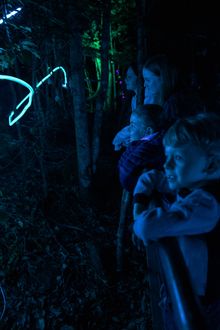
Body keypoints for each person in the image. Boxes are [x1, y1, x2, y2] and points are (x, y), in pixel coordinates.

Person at [132, 112, 220, 329]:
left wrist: (139, 215)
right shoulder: (193, 184)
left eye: (178, 157)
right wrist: (140, 201)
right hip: (185, 292)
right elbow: (151, 177)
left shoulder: (205, 203)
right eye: (166, 155)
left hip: (201, 305)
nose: (167, 164)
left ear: (211, 164)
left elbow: (146, 226)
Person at [142, 54, 206, 127]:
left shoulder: (174, 103)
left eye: (148, 80)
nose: (144, 85)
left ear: (162, 79)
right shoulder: (175, 98)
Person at [118, 104, 166, 193]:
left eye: (133, 125)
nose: (129, 129)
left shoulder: (150, 147)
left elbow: (126, 176)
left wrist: (132, 145)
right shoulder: (150, 142)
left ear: (148, 131)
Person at [113, 64, 138, 151]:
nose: (126, 80)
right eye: (126, 76)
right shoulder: (134, 99)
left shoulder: (146, 98)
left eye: (129, 77)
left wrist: (120, 137)